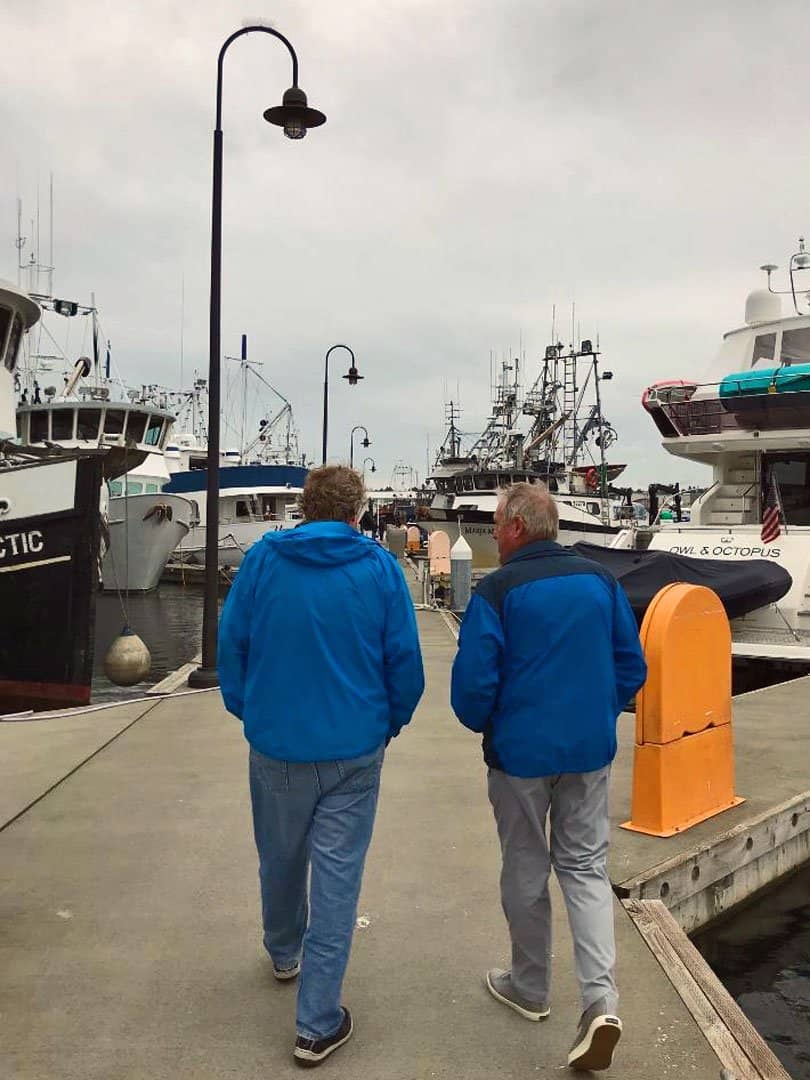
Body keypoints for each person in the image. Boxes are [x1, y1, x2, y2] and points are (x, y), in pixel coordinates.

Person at [218, 465, 424, 1068]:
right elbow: (404, 662)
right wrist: (388, 724)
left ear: (305, 508)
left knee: (280, 856)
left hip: (278, 742)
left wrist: (250, 711)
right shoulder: (379, 568)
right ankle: (316, 1022)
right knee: (338, 882)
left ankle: (284, 952)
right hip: (354, 749)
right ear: (357, 511)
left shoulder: (262, 561)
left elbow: (233, 645)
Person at [450, 482, 646, 1072]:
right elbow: (630, 664)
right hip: (588, 749)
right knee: (585, 867)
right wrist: (596, 710)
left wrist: (493, 722)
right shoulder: (601, 582)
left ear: (512, 527)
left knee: (526, 864)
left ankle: (529, 987)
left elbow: (473, 687)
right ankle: (599, 1002)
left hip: (519, 755)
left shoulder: (498, 589)